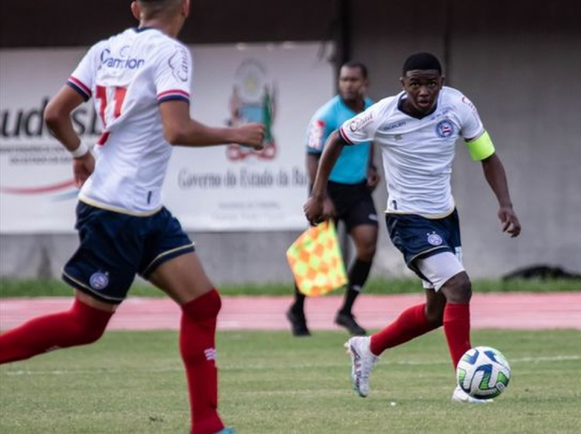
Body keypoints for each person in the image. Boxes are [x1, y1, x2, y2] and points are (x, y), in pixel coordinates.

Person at [0, 1, 263, 433]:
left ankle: (208, 426)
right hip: (116, 211)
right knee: (85, 326)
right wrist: (235, 133)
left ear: (136, 6)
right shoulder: (171, 52)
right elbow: (176, 130)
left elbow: (54, 114)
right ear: (186, 7)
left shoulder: (105, 48)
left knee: (202, 305)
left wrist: (81, 153)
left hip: (140, 209)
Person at [304, 52, 522, 403]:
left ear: (442, 82)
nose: (424, 91)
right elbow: (334, 141)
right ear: (402, 84)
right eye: (416, 83)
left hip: (445, 218)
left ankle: (368, 347)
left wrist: (506, 204)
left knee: (436, 313)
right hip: (407, 219)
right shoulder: (382, 114)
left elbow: (486, 155)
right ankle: (466, 386)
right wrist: (317, 195)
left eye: (431, 83)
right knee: (459, 286)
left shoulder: (459, 107)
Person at [286, 61, 380, 337]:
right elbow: (311, 155)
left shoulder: (372, 110)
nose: (348, 84)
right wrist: (321, 196)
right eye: (344, 79)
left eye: (353, 80)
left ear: (365, 82)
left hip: (357, 189)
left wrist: (371, 169)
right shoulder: (326, 115)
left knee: (368, 244)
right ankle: (297, 309)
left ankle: (346, 310)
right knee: (318, 252)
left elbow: (369, 142)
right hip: (327, 189)